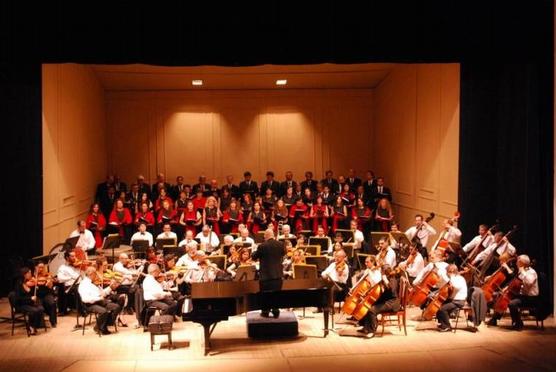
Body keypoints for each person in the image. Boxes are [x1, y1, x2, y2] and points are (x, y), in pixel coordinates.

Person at [488, 255, 539, 330]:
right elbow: (516, 282)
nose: (516, 263)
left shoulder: (531, 272)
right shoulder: (522, 271)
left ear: (522, 263)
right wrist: (507, 287)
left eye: (518, 261)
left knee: (512, 303)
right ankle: (494, 319)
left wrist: (523, 272)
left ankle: (518, 323)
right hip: (522, 295)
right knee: (502, 297)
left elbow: (529, 282)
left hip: (530, 298)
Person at [357, 262, 400, 338]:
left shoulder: (392, 279)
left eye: (382, 272)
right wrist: (366, 293)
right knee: (368, 306)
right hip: (385, 300)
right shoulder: (385, 279)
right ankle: (366, 327)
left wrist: (385, 279)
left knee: (372, 310)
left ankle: (372, 331)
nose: (380, 273)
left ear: (385, 272)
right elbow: (376, 288)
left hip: (392, 303)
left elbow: (392, 290)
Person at [252, 229, 286, 318]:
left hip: (266, 276)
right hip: (278, 275)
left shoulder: (262, 246)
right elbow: (283, 253)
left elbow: (254, 257)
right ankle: (276, 311)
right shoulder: (280, 244)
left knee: (265, 295)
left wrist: (253, 250)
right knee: (276, 294)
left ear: (266, 236)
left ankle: (265, 311)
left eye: (264, 236)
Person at [78, 266, 121, 335]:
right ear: (91, 274)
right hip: (89, 304)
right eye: (95, 274)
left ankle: (103, 325)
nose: (97, 276)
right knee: (104, 311)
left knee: (116, 307)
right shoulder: (84, 284)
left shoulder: (93, 283)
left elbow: (102, 293)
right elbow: (85, 299)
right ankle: (101, 327)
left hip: (98, 302)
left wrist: (110, 287)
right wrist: (98, 298)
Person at [14, 267, 47, 335]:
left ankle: (35, 325)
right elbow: (19, 298)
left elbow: (32, 294)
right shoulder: (19, 285)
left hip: (29, 303)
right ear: (24, 274)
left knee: (41, 308)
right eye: (29, 273)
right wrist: (30, 298)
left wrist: (36, 288)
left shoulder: (29, 282)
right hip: (22, 304)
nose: (31, 274)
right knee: (34, 310)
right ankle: (31, 326)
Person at [436, 264, 468, 332]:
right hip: (453, 300)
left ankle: (447, 326)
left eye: (447, 272)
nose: (447, 273)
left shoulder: (460, 278)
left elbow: (456, 286)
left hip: (459, 301)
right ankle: (442, 324)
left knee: (443, 309)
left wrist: (451, 277)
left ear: (451, 271)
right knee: (438, 306)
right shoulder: (454, 278)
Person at [56, 250, 82, 315]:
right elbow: (60, 279)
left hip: (79, 284)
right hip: (69, 287)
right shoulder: (62, 267)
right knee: (77, 290)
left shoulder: (76, 266)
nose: (75, 258)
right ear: (67, 258)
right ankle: (82, 310)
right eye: (72, 256)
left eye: (75, 256)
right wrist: (70, 278)